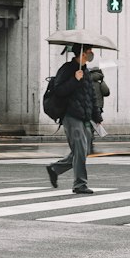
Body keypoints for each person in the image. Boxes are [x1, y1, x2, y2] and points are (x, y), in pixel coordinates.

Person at [45, 44, 101, 196]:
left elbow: (92, 96)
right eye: (89, 52)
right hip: (71, 115)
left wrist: (97, 116)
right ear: (82, 53)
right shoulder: (68, 69)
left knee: (84, 150)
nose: (91, 54)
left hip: (85, 117)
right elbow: (58, 90)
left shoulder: (86, 71)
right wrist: (75, 80)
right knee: (80, 150)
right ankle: (80, 184)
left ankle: (55, 169)